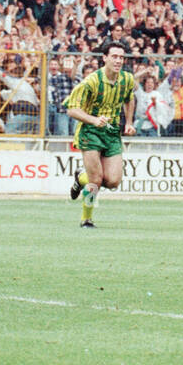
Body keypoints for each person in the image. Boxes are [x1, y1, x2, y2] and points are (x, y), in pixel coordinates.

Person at [65, 41, 136, 228]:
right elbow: (72, 110)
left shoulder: (127, 79)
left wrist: (128, 122)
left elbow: (130, 99)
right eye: (114, 56)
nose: (118, 60)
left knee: (113, 181)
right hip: (91, 131)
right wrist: (93, 120)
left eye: (121, 57)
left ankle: (81, 177)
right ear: (105, 58)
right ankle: (86, 219)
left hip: (111, 132)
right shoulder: (91, 81)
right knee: (96, 179)